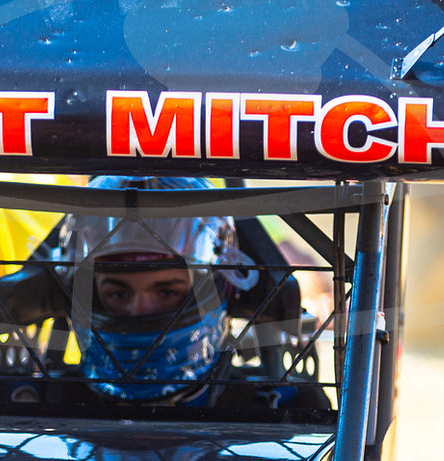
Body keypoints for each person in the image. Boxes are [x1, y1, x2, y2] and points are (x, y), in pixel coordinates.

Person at [50, 176, 329, 411]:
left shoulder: (285, 410)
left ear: (223, 288)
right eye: (118, 294)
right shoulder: (38, 402)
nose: (140, 312)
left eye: (167, 291)